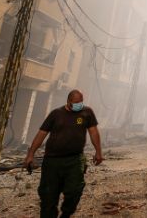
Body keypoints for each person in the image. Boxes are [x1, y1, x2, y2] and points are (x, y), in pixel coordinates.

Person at [24, 90, 104, 218]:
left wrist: (98, 152)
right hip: (52, 161)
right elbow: (41, 134)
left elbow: (93, 132)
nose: (79, 105)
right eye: (76, 103)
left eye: (81, 102)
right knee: (48, 195)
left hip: (75, 159)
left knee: (75, 190)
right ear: (68, 101)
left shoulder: (87, 113)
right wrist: (30, 155)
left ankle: (66, 214)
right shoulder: (56, 114)